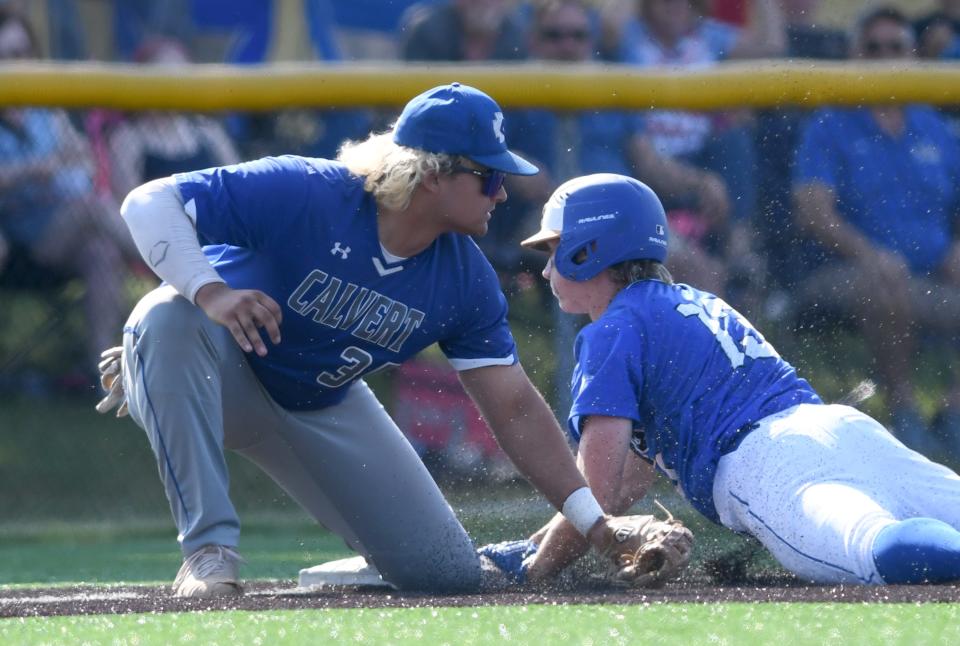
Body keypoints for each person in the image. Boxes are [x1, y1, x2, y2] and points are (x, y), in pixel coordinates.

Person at [96, 82, 671, 597]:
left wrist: (596, 525)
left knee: (445, 574)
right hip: (223, 378)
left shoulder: (465, 277)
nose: (502, 194)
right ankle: (207, 553)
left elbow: (514, 406)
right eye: (490, 176)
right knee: (167, 317)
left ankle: (366, 560)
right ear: (433, 173)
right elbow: (146, 202)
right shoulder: (312, 191)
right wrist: (208, 293)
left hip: (319, 403)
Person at [480, 172, 960, 587]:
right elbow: (631, 476)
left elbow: (597, 493)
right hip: (843, 429)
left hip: (766, 465)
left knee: (876, 551)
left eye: (555, 251)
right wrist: (535, 543)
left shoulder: (611, 330)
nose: (545, 269)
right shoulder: (694, 301)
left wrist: (536, 572)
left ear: (588, 252)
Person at [791, 6, 960, 460]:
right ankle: (903, 411)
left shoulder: (934, 125)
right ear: (853, 56)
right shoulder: (829, 124)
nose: (884, 57)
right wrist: (870, 254)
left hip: (930, 275)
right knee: (882, 281)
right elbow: (813, 213)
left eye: (895, 47)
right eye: (873, 48)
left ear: (913, 56)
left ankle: (952, 412)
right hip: (838, 275)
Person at [0, 6, 138, 375]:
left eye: (23, 54)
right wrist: (34, 170)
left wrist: (54, 170)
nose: (18, 64)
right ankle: (167, 264)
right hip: (20, 235)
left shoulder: (47, 109)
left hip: (64, 221)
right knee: (92, 208)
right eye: (7, 57)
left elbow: (83, 162)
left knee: (102, 251)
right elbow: (55, 166)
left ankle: (103, 372)